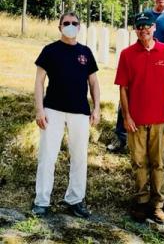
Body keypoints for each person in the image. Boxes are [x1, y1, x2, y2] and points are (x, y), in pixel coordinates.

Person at [108, 0, 164, 164]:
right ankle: (122, 138)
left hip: (162, 67)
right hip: (140, 67)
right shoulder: (144, 15)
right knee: (126, 100)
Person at [32, 11, 100, 218]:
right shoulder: (50, 51)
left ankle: (75, 199)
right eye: (66, 23)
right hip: (52, 110)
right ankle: (42, 201)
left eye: (75, 23)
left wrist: (96, 107)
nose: (71, 26)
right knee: (47, 156)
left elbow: (94, 82)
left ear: (80, 27)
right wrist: (39, 109)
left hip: (80, 112)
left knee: (79, 157)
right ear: (60, 27)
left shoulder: (86, 52)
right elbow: (39, 82)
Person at [115, 11, 164, 224]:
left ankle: (157, 205)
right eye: (140, 26)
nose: (144, 30)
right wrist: (126, 117)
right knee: (139, 162)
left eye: (148, 26)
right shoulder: (127, 54)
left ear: (154, 28)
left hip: (160, 119)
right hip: (136, 120)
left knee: (158, 163)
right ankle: (141, 202)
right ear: (136, 30)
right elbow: (123, 88)